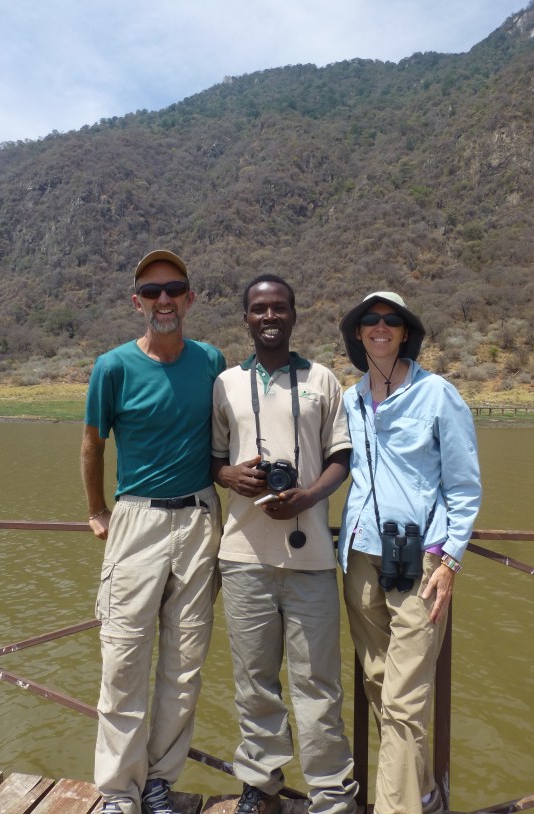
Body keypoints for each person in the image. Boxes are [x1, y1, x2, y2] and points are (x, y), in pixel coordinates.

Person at [80, 250, 225, 814]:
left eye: (174, 289)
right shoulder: (112, 367)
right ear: (136, 301)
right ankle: (119, 791)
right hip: (136, 518)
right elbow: (93, 444)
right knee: (123, 662)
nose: (164, 300)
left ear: (190, 298)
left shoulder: (211, 360)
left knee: (185, 665)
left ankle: (160, 780)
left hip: (198, 519)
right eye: (152, 291)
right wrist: (97, 511)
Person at [211, 275, 358, 814]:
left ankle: (331, 797)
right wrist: (230, 477)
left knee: (318, 684)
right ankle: (261, 786)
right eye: (258, 309)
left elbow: (342, 456)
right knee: (253, 683)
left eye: (279, 308)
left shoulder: (322, 380)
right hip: (243, 557)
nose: (269, 316)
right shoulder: (225, 383)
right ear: (245, 318)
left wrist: (307, 497)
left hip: (311, 555)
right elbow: (214, 458)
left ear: (295, 315)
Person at [338, 291, 482, 814]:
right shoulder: (350, 397)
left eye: (390, 321)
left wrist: (451, 561)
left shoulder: (438, 394)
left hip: (421, 560)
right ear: (358, 333)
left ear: (404, 332)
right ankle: (422, 792)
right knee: (379, 683)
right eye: (370, 321)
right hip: (361, 559)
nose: (380, 328)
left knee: (403, 700)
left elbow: (465, 487)